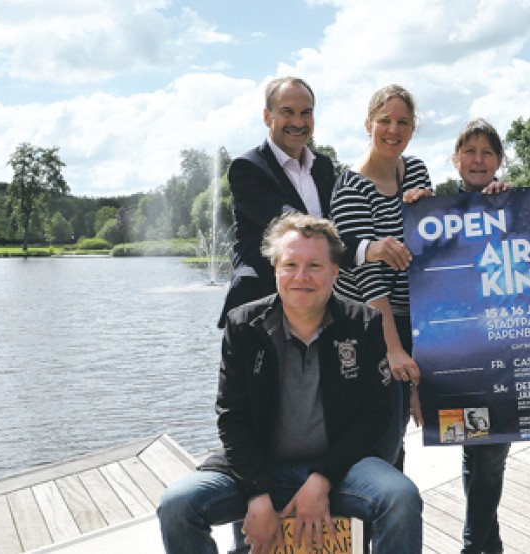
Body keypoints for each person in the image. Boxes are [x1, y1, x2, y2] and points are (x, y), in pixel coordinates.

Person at [159, 213, 422, 554]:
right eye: (290, 264)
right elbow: (231, 416)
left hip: (341, 470)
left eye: (314, 265)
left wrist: (321, 480)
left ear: (335, 272)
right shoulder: (243, 326)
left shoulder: (363, 324)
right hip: (258, 465)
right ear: (276, 270)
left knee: (400, 498)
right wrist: (256, 492)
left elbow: (374, 416)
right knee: (177, 505)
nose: (301, 276)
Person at [218, 76, 410, 328]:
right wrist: (367, 248)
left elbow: (339, 222)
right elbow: (297, 228)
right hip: (261, 310)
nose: (298, 122)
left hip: (319, 306)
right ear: (267, 116)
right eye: (287, 112)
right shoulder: (247, 168)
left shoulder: (323, 166)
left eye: (306, 113)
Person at [330, 84, 432, 469]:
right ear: (368, 124)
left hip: (414, 317)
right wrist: (393, 349)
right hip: (371, 326)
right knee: (384, 433)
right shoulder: (351, 188)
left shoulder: (417, 170)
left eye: (403, 122)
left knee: (404, 421)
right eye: (385, 121)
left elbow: (430, 244)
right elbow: (368, 280)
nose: (394, 130)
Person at [448, 118, 511, 554]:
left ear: (499, 162)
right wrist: (416, 206)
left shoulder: (513, 204)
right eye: (470, 151)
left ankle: (477, 543)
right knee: (474, 449)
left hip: (507, 350)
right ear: (456, 159)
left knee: (492, 454)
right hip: (458, 357)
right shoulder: (434, 210)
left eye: (487, 152)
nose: (478, 159)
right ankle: (486, 544)